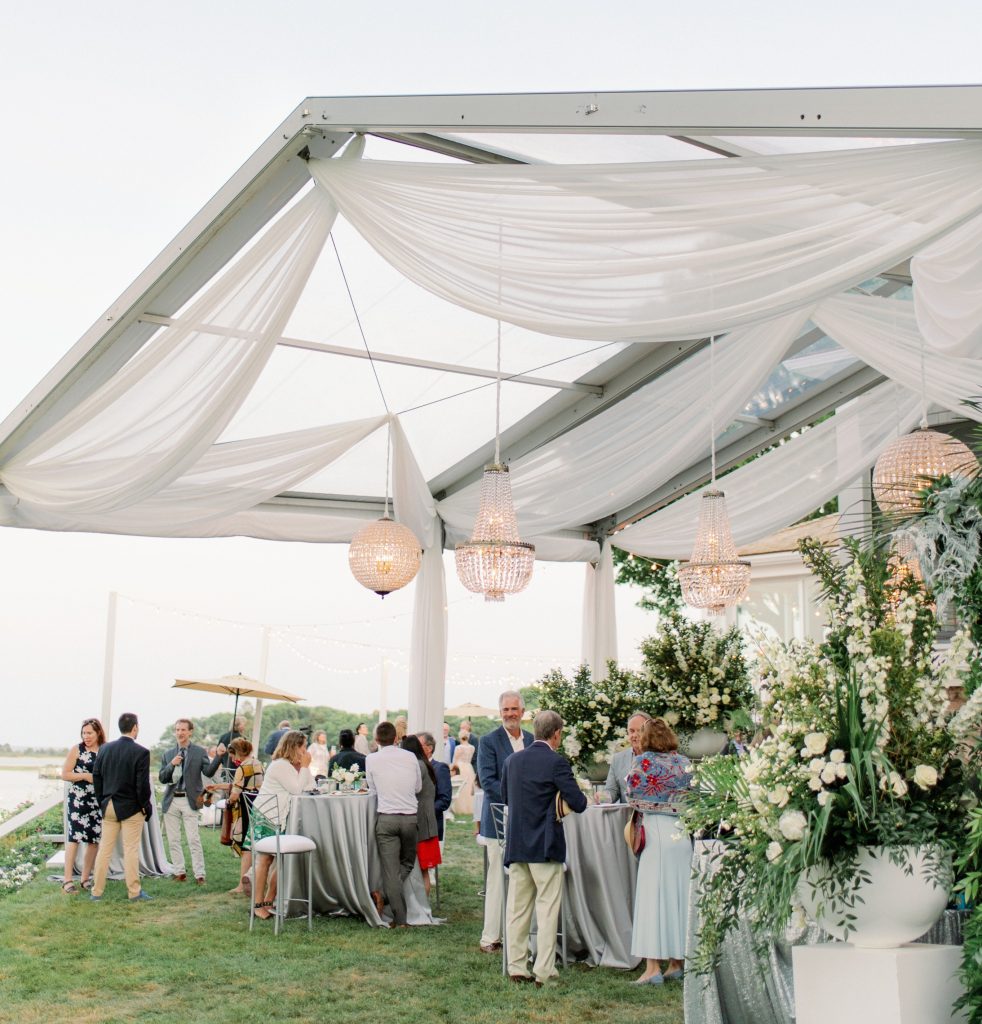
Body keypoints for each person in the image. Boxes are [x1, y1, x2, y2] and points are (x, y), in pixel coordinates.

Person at [502, 709, 588, 987]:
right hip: (545, 844)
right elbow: (580, 802)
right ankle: (543, 971)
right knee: (547, 910)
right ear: (557, 734)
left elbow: (506, 797)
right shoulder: (556, 763)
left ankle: (516, 967)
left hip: (516, 844)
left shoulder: (512, 761)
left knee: (517, 909)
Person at [627, 717, 693, 985]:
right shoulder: (684, 762)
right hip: (682, 834)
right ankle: (677, 962)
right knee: (678, 898)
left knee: (652, 899)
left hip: (655, 834)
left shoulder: (644, 762)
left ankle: (653, 967)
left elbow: (632, 794)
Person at [476, 690, 533, 953]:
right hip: (497, 819)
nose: (510, 714)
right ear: (500, 713)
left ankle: (522, 936)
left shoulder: (532, 740)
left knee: (524, 879)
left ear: (522, 712)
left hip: (527, 822)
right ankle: (491, 937)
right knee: (497, 878)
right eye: (505, 710)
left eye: (514, 709)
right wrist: (517, 801)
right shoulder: (488, 741)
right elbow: (487, 781)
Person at [90, 712, 153, 902]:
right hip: (131, 807)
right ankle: (134, 892)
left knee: (104, 850)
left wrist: (102, 799)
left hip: (108, 804)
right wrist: (145, 806)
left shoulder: (105, 749)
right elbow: (142, 785)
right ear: (135, 728)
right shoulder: (141, 752)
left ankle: (96, 892)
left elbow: (96, 776)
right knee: (131, 850)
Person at [251, 731, 313, 920]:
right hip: (268, 815)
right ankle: (257, 903)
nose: (306, 750)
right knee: (266, 860)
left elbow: (308, 786)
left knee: (282, 859)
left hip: (284, 816)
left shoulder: (296, 766)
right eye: (303, 746)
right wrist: (304, 767)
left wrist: (304, 769)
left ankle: (270, 899)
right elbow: (296, 789)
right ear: (294, 747)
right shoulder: (280, 766)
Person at [365, 721, 421, 927]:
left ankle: (398, 917)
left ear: (377, 739)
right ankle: (393, 906)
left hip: (387, 818)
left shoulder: (371, 759)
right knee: (407, 862)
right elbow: (417, 787)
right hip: (409, 818)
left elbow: (372, 787)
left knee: (391, 872)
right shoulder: (410, 756)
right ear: (396, 738)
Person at [159, 718, 218, 885]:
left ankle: (200, 875)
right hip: (171, 801)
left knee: (193, 839)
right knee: (173, 839)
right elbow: (163, 778)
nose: (180, 733)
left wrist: (219, 757)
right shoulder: (168, 754)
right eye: (177, 730)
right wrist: (172, 764)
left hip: (189, 800)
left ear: (190, 732)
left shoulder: (199, 752)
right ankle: (180, 872)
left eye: (183, 730)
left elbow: (208, 771)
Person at [60, 717, 105, 893]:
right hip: (78, 801)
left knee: (94, 840)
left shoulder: (104, 751)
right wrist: (85, 776)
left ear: (98, 733)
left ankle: (86, 878)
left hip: (96, 801)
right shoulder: (77, 750)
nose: (86, 736)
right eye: (84, 733)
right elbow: (65, 774)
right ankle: (67, 880)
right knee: (74, 839)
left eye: (89, 733)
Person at [221, 738, 265, 895]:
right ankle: (254, 878)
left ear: (238, 753)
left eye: (232, 756)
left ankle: (242, 883)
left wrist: (227, 801)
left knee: (246, 846)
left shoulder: (242, 768)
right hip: (259, 806)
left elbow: (235, 794)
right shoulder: (257, 763)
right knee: (256, 844)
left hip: (245, 808)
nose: (232, 759)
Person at [403, 735, 441, 896]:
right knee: (423, 870)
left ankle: (422, 906)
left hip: (421, 823)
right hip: (428, 821)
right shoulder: (425, 764)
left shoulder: (417, 766)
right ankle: (423, 905)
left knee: (420, 869)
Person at [604, 711, 653, 804]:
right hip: (627, 817)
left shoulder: (660, 757)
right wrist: (601, 797)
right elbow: (612, 791)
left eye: (639, 730)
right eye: (631, 731)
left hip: (653, 814)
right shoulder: (617, 759)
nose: (634, 735)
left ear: (650, 732)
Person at [418, 731, 452, 843]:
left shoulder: (440, 768)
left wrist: (424, 813)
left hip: (430, 827)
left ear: (429, 748)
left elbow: (444, 800)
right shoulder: (412, 768)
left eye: (418, 746)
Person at [450, 731, 476, 815]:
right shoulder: (472, 747)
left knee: (460, 788)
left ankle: (459, 808)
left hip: (460, 767)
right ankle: (470, 807)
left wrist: (452, 767)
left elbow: (455, 759)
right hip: (469, 767)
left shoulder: (459, 748)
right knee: (468, 787)